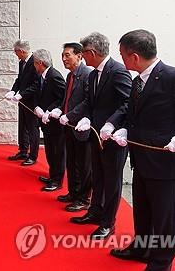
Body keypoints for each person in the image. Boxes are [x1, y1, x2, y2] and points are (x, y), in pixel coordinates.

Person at [110, 30, 175, 270]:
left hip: (166, 163)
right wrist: (123, 128)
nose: (122, 60)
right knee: (143, 210)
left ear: (135, 56)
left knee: (165, 218)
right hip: (141, 159)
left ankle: (160, 263)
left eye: (122, 55)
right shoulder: (138, 80)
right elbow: (134, 113)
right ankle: (141, 248)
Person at [65, 32, 132, 240]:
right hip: (95, 134)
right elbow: (89, 102)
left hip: (113, 137)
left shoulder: (118, 71)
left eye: (83, 53)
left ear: (91, 52)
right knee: (98, 176)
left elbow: (127, 103)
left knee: (112, 181)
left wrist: (112, 123)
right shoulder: (94, 74)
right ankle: (95, 212)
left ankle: (108, 222)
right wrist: (76, 116)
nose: (83, 57)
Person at [47, 43, 93, 212]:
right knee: (72, 162)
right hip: (68, 126)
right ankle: (73, 193)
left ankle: (83, 198)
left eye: (68, 55)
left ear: (79, 56)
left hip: (81, 126)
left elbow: (88, 101)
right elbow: (66, 98)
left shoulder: (87, 74)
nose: (64, 59)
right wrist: (59, 109)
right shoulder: (70, 76)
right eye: (63, 55)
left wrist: (70, 115)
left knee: (84, 165)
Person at [32, 49, 66, 192]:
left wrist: (49, 110)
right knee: (50, 151)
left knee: (57, 152)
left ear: (40, 63)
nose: (34, 66)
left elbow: (62, 98)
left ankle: (57, 180)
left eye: (34, 63)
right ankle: (52, 175)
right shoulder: (43, 76)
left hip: (55, 123)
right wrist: (38, 107)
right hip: (46, 122)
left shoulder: (54, 76)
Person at [5, 40, 40, 165]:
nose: (16, 54)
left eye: (16, 52)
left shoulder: (35, 61)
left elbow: (37, 84)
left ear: (21, 51)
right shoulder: (22, 63)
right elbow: (19, 79)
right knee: (23, 126)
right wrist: (13, 91)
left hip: (32, 101)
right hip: (22, 100)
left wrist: (21, 94)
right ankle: (23, 150)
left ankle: (33, 155)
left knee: (32, 129)